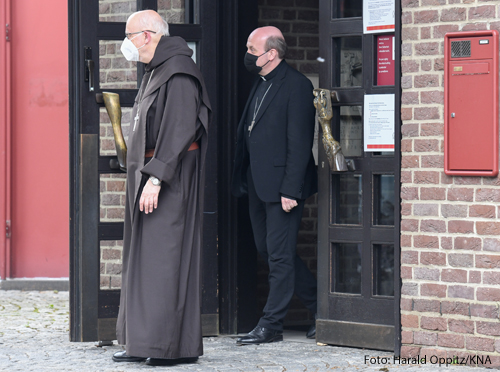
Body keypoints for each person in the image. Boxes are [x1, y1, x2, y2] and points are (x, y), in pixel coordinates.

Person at [112, 10, 211, 366]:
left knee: (165, 261)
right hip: (150, 175)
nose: (127, 44)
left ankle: (168, 347)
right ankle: (142, 342)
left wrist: (156, 178)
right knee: (143, 261)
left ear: (149, 36)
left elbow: (181, 130)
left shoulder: (180, 73)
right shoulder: (157, 71)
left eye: (129, 36)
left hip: (169, 181)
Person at [232, 26, 318, 345]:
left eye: (252, 49)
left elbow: (299, 144)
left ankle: (271, 325)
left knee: (279, 255)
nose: (247, 55)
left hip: (283, 188)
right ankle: (319, 306)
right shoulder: (262, 82)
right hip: (258, 183)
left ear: (271, 54)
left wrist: (290, 191)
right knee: (269, 251)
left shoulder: (296, 85)